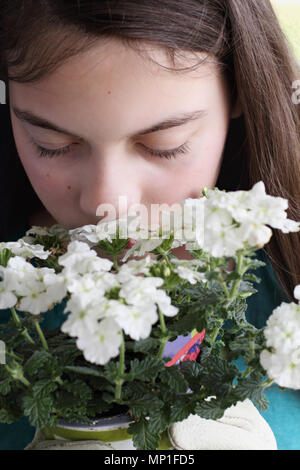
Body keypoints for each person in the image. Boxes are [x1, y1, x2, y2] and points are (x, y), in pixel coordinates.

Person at [0, 0, 299, 450]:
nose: (109, 203)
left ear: (239, 90)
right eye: (53, 144)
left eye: (164, 145)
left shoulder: (282, 275)